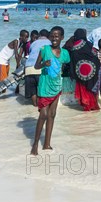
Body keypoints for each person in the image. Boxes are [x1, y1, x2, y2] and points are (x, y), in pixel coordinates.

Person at [31, 26, 70, 155]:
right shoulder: (44, 50)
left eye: (57, 36)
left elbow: (64, 66)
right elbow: (36, 66)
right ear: (49, 37)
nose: (54, 38)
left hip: (57, 86)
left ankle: (47, 143)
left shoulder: (65, 53)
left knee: (52, 114)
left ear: (62, 38)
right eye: (52, 36)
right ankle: (35, 144)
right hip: (44, 86)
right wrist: (43, 64)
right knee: (43, 115)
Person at [64, 29, 100, 112]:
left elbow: (69, 57)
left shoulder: (73, 45)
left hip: (80, 70)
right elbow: (94, 55)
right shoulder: (88, 44)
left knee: (83, 88)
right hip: (92, 68)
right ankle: (93, 106)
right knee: (90, 88)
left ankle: (86, 106)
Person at [0, 30, 27, 96]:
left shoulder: (21, 43)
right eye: (25, 37)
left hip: (6, 61)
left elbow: (20, 55)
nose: (27, 39)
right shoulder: (16, 41)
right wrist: (17, 65)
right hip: (1, 61)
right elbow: (16, 55)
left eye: (27, 37)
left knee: (5, 81)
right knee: (1, 81)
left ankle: (2, 99)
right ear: (21, 36)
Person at [23, 29, 50, 106]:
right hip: (39, 68)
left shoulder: (33, 43)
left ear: (39, 35)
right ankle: (40, 107)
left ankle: (34, 104)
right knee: (40, 88)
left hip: (28, 68)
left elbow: (30, 53)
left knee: (32, 90)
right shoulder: (49, 43)